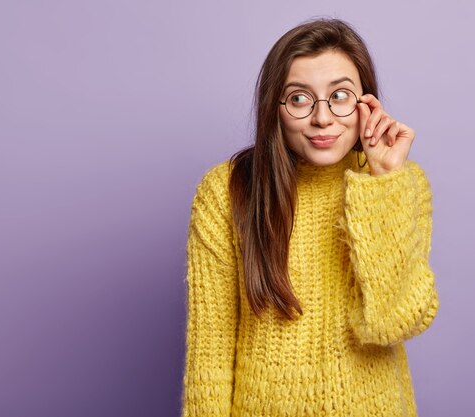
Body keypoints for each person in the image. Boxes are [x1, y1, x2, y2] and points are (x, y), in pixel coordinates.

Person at [180, 18, 439, 417]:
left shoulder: (401, 185)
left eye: (340, 96)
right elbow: (208, 356)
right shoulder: (227, 191)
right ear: (275, 107)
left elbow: (394, 322)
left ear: (366, 103)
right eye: (300, 98)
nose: (322, 118)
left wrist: (384, 184)